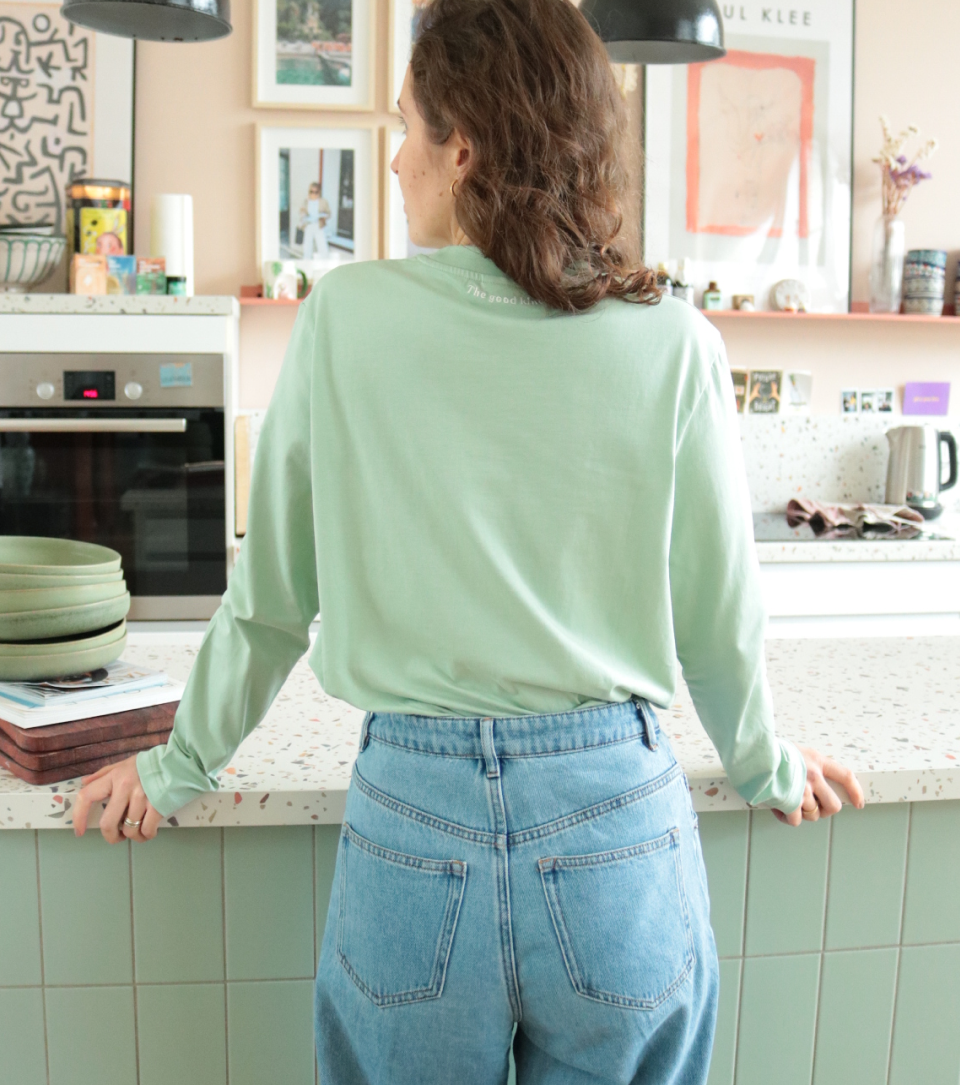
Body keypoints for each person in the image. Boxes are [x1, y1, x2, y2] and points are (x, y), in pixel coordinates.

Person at [73, 0, 864, 1081]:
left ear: (464, 144)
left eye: (404, 128)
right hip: (617, 834)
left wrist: (177, 768)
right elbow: (719, 621)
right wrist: (765, 762)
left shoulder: (344, 318)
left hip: (416, 821)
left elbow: (269, 602)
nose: (394, 163)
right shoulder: (676, 339)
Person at [299, 181, 332, 258]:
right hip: (308, 225)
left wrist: (324, 216)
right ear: (309, 192)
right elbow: (301, 212)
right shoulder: (306, 201)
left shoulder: (323, 201)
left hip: (318, 225)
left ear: (319, 192)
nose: (313, 194)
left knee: (322, 247)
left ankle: (325, 265)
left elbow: (329, 213)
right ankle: (306, 265)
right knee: (307, 248)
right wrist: (303, 214)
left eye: (316, 192)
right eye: (311, 192)